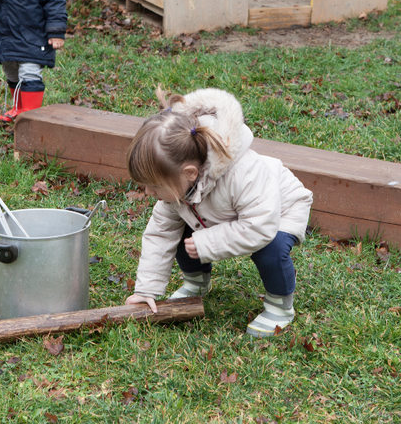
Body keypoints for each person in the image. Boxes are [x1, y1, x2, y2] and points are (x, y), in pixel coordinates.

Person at [124, 87, 314, 338]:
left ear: (190, 173)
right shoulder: (178, 187)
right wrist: (146, 290)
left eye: (155, 186)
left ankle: (279, 307)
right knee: (179, 231)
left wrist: (206, 242)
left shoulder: (244, 174)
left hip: (278, 212)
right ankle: (196, 283)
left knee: (271, 249)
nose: (148, 192)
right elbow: (160, 234)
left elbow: (260, 227)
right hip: (222, 213)